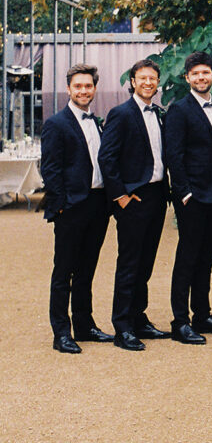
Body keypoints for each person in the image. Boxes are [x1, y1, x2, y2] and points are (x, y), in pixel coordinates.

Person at [40, 63, 113, 353]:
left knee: (87, 269)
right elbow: (51, 170)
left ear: (94, 89)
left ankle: (85, 325)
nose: (83, 91)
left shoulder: (97, 122)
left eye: (88, 86)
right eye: (78, 86)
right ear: (69, 89)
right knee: (64, 271)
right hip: (71, 208)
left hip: (98, 205)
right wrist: (61, 208)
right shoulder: (56, 124)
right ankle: (61, 333)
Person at [98, 58, 170, 351]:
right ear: (132, 82)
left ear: (158, 83)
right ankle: (123, 327)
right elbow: (107, 158)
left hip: (157, 196)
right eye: (142, 78)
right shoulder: (121, 113)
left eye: (152, 78)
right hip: (133, 198)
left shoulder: (160, 114)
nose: (148, 83)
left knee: (146, 263)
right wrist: (121, 196)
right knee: (129, 263)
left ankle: (139, 319)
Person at [164, 51, 212, 344]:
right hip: (192, 197)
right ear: (187, 78)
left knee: (207, 258)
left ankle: (202, 314)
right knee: (187, 258)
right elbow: (173, 156)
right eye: (196, 74)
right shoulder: (179, 110)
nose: (201, 77)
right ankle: (180, 321)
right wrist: (184, 192)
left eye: (206, 72)